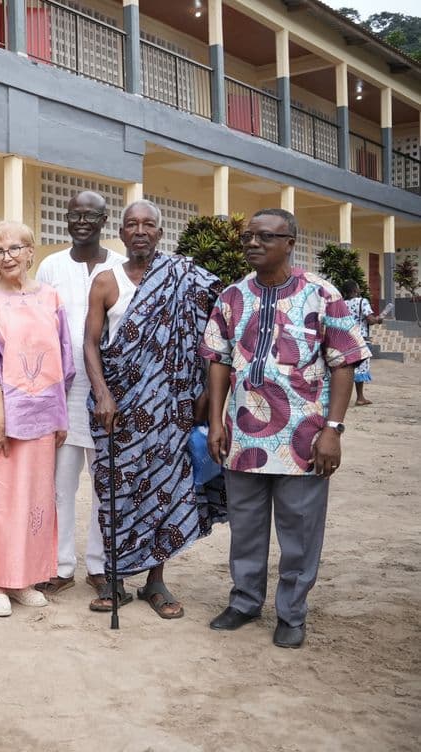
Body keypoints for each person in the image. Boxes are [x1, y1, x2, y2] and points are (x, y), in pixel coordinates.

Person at [204, 209, 369, 649]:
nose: (253, 243)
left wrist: (333, 428)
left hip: (304, 439)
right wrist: (216, 420)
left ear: (290, 241)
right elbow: (217, 360)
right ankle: (244, 601)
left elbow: (344, 362)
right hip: (243, 437)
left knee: (299, 530)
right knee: (246, 526)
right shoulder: (231, 297)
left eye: (265, 236)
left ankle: (292, 613)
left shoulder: (321, 294)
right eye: (248, 237)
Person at [84, 200, 224, 619]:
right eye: (132, 224)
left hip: (171, 410)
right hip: (120, 410)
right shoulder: (105, 282)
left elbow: (214, 336)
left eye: (148, 224)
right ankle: (115, 580)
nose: (140, 231)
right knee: (117, 492)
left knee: (164, 490)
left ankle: (155, 581)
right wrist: (103, 393)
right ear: (122, 234)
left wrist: (206, 396)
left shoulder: (185, 276)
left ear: (160, 233)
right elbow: (90, 343)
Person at [0, 221, 73, 617]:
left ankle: (25, 579)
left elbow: (63, 361)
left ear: (32, 252)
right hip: (0, 415)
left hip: (43, 415)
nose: (7, 257)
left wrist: (60, 416)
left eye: (15, 249)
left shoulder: (51, 298)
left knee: (36, 500)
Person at [34, 191, 125, 598]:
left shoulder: (121, 268)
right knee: (60, 485)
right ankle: (60, 565)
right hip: (64, 392)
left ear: (105, 219)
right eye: (75, 214)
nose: (82, 221)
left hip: (111, 391)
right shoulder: (51, 266)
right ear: (66, 219)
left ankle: (100, 566)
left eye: (91, 215)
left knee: (106, 485)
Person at [341, 279, 381, 406]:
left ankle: (343, 399)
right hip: (360, 340)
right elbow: (370, 320)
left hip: (345, 339)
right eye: (358, 287)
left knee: (346, 369)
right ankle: (360, 397)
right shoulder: (362, 301)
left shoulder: (341, 303)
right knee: (360, 369)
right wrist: (378, 320)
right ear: (355, 290)